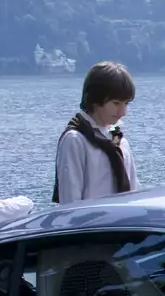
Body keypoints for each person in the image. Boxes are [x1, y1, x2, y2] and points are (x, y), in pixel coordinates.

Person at [55, 62, 138, 203]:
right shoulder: (75, 140)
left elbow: (134, 190)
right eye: (116, 103)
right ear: (95, 100)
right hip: (91, 217)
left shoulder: (118, 140)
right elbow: (70, 200)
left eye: (126, 103)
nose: (123, 111)